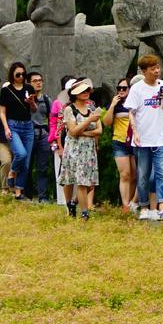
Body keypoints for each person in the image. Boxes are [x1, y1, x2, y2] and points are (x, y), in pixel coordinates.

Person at [126, 55, 163, 220]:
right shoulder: (137, 89)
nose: (157, 71)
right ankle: (143, 207)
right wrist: (135, 132)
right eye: (153, 68)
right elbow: (131, 113)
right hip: (142, 141)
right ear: (144, 71)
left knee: (162, 173)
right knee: (143, 176)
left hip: (160, 139)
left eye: (158, 67)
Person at [59, 78, 104, 219]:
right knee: (71, 179)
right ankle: (78, 209)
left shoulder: (91, 108)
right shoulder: (69, 109)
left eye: (87, 90)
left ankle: (76, 204)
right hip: (73, 149)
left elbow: (99, 130)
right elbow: (72, 131)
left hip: (88, 149)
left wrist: (83, 132)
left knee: (86, 182)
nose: (86, 93)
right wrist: (89, 121)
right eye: (82, 91)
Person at [0, 61, 34, 198]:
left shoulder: (28, 88)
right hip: (13, 125)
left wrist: (31, 102)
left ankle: (18, 191)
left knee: (26, 162)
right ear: (12, 75)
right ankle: (12, 171)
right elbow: (2, 112)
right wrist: (6, 128)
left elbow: (34, 110)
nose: (20, 76)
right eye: (17, 74)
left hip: (28, 125)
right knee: (21, 153)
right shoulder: (6, 90)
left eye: (23, 74)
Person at [108, 78, 136, 214]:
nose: (121, 90)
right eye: (119, 88)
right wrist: (112, 106)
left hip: (135, 141)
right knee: (125, 174)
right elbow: (107, 122)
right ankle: (125, 205)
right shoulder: (116, 104)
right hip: (119, 141)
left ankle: (132, 203)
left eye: (124, 88)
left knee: (135, 175)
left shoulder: (135, 102)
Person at [28, 71, 55, 202]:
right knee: (27, 164)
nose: (38, 83)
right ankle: (27, 192)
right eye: (35, 81)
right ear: (29, 83)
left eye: (40, 80)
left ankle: (42, 196)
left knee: (42, 166)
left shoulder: (46, 99)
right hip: (29, 133)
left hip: (43, 134)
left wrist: (51, 136)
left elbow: (51, 119)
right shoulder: (26, 99)